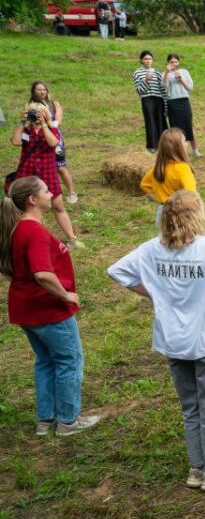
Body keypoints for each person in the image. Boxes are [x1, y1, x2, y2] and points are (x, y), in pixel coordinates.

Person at [107, 190, 205, 490]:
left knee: (191, 406)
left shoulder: (151, 250)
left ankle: (197, 469)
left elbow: (116, 271)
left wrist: (155, 293)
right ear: (198, 216)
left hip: (173, 341)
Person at [1, 176, 96, 437]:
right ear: (33, 200)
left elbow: (11, 268)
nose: (51, 191)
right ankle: (67, 420)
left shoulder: (16, 227)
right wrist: (66, 295)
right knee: (69, 360)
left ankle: (46, 419)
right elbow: (42, 273)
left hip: (26, 308)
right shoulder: (35, 232)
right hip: (47, 309)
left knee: (45, 361)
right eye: (45, 189)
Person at [10, 104, 81, 246]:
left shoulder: (51, 128)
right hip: (27, 174)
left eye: (39, 112)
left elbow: (53, 143)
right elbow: (16, 141)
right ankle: (23, 239)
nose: (36, 116)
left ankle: (73, 239)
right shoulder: (26, 129)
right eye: (33, 113)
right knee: (22, 209)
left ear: (46, 113)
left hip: (48, 173)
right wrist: (22, 123)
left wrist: (44, 124)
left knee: (58, 206)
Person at [28, 81, 78, 203]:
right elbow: (29, 123)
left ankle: (72, 192)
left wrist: (49, 123)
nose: (42, 92)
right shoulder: (31, 105)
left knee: (60, 167)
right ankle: (44, 195)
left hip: (55, 137)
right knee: (41, 167)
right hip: (39, 138)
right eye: (39, 90)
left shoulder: (54, 104)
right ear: (34, 92)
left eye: (44, 89)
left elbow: (59, 121)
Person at [140, 129, 197, 223]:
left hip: (162, 213)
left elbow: (144, 185)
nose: (187, 144)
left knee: (165, 238)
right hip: (181, 215)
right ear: (178, 147)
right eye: (184, 141)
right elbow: (191, 194)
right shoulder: (182, 169)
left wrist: (161, 199)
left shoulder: (157, 168)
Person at [164, 53, 199, 156]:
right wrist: (166, 72)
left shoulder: (184, 72)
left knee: (189, 125)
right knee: (175, 128)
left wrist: (181, 79)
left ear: (178, 62)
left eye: (175, 61)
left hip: (184, 101)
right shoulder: (165, 73)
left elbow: (190, 88)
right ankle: (179, 152)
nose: (174, 64)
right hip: (172, 102)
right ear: (168, 63)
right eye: (171, 62)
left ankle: (195, 150)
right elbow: (164, 87)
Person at [134, 50, 167, 155]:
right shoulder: (137, 73)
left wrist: (165, 105)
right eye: (146, 59)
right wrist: (146, 81)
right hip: (147, 99)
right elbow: (139, 90)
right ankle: (150, 147)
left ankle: (162, 147)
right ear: (141, 60)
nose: (148, 61)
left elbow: (162, 89)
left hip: (158, 99)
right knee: (150, 122)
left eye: (150, 59)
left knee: (161, 122)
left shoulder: (157, 72)